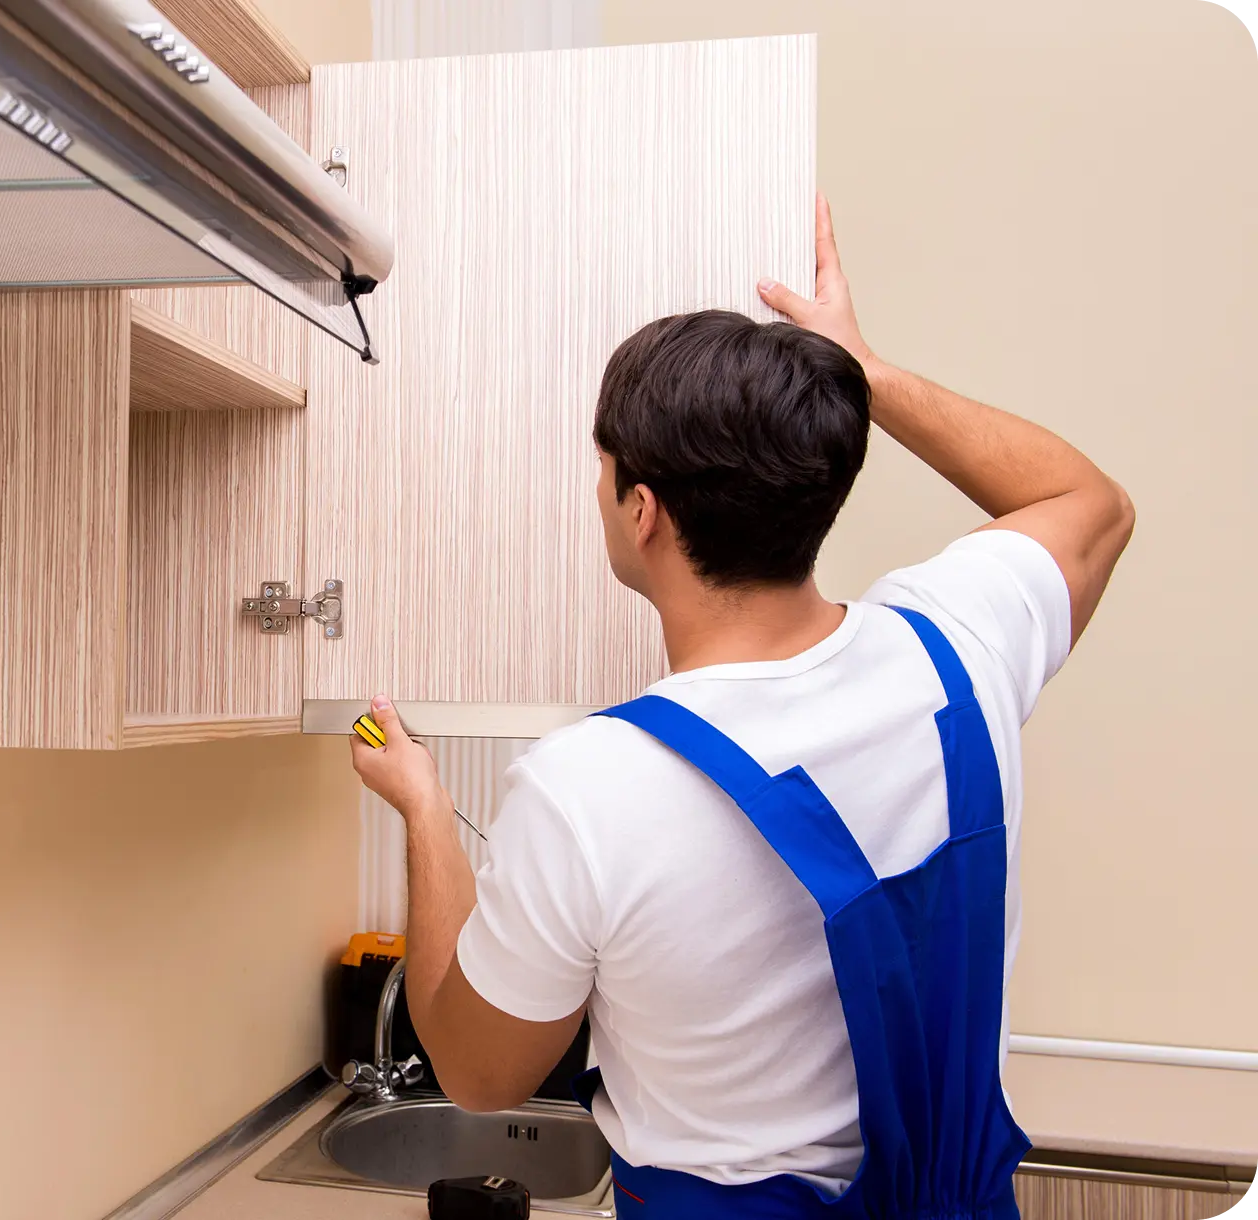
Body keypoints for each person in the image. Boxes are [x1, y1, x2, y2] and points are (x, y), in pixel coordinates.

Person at [350, 197, 1135, 1218]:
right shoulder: (957, 645)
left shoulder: (592, 785)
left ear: (643, 511)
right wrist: (862, 371)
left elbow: (478, 1070)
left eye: (604, 467)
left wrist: (422, 807)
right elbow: (1091, 504)